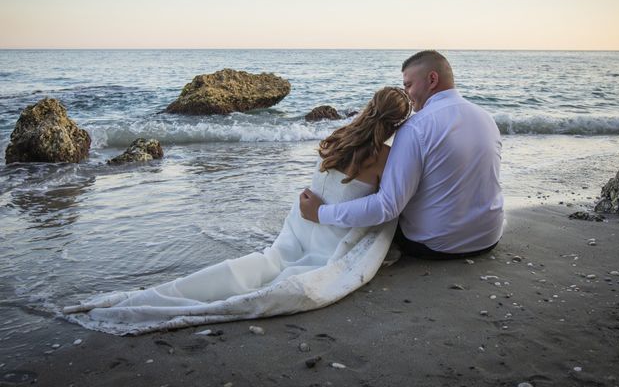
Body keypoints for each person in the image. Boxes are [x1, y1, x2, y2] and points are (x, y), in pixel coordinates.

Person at [63, 87, 412, 335]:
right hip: (326, 232)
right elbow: (382, 207)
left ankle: (149, 297)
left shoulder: (337, 136)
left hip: (302, 226)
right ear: (398, 124)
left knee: (265, 263)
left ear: (369, 107)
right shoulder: (386, 157)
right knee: (288, 278)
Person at [300, 50, 504, 259]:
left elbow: (387, 207)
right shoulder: (487, 118)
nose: (406, 94)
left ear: (432, 79)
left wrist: (320, 213)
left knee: (383, 211)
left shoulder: (416, 127)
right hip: (489, 237)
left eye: (408, 85)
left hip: (437, 245)